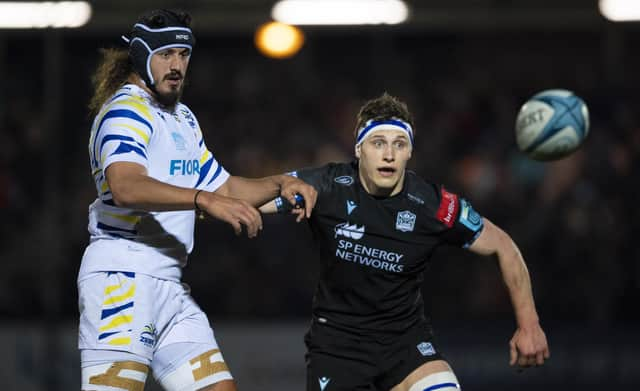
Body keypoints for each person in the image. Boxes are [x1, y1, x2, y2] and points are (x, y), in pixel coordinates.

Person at [79, 9, 316, 391]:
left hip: (170, 285)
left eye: (183, 54)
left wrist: (281, 184)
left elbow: (223, 190)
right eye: (165, 54)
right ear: (141, 56)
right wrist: (202, 200)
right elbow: (126, 187)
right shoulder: (126, 111)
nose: (177, 65)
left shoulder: (182, 118)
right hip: (122, 278)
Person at [261, 93, 550, 391]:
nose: (389, 154)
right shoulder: (325, 186)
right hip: (338, 347)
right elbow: (254, 200)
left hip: (404, 342)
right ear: (359, 149)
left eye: (399, 144)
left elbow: (502, 244)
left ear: (409, 151)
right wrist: (211, 201)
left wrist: (529, 324)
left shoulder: (433, 204)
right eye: (378, 143)